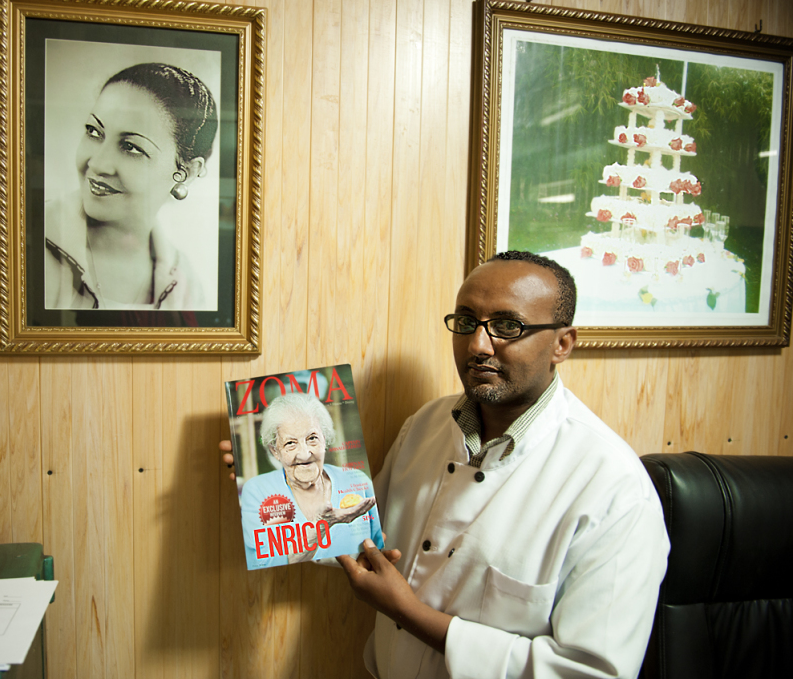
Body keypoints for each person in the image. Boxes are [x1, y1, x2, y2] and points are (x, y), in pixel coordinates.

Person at [220, 251, 670, 678]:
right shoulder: (426, 425)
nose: (478, 345)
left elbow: (589, 673)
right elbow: (359, 535)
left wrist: (406, 613)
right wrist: (277, 484)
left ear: (562, 344)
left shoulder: (615, 490)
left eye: (508, 326)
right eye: (468, 321)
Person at [45, 62, 218, 310]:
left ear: (185, 172)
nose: (98, 163)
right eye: (94, 132)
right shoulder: (26, 242)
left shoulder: (186, 286)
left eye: (131, 147)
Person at [239, 392, 382, 569]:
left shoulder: (358, 481)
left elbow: (377, 547)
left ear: (325, 440)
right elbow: (263, 565)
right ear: (275, 451)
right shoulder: (257, 491)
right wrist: (323, 525)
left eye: (312, 438)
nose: (305, 453)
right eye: (290, 443)